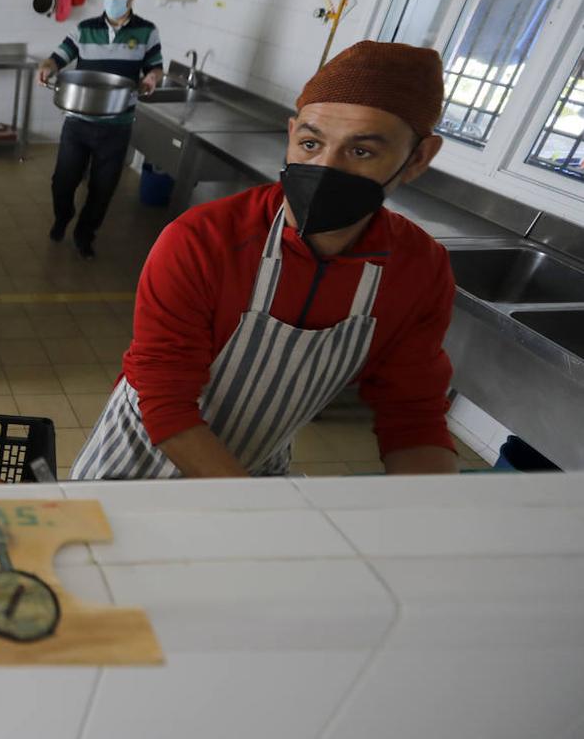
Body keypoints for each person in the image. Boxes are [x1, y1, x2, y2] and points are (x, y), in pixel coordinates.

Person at [71, 40, 460, 479]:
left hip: (255, 466)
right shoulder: (204, 241)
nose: (325, 167)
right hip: (135, 463)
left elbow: (413, 416)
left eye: (361, 151)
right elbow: (164, 398)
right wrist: (251, 509)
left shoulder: (418, 271)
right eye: (311, 143)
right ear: (291, 133)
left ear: (418, 159)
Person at [38, 0, 164, 259]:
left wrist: (152, 78)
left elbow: (155, 67)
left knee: (103, 187)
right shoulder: (85, 29)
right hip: (78, 120)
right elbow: (59, 56)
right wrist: (47, 66)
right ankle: (63, 217)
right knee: (63, 180)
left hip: (117, 124)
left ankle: (85, 234)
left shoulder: (146, 31)